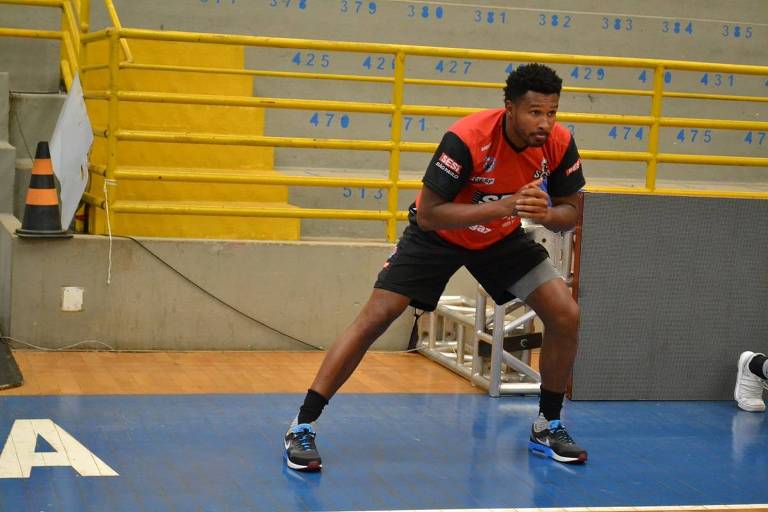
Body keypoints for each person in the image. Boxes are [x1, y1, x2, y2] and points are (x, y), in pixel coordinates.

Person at [283, 63, 588, 471]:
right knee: (376, 317)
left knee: (565, 313)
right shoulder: (468, 138)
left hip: (500, 239)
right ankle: (302, 425)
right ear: (510, 108)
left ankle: (548, 422)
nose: (545, 122)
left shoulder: (558, 143)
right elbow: (428, 214)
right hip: (438, 236)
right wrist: (503, 205)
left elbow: (571, 211)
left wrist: (548, 216)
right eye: (535, 112)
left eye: (551, 112)